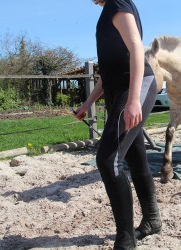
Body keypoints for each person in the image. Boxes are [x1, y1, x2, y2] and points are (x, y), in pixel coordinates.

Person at [74, 0, 162, 249]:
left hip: (133, 87)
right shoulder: (108, 10)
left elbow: (136, 48)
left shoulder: (117, 2)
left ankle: (126, 239)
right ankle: (152, 220)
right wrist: (87, 103)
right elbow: (108, 70)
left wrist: (134, 99)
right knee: (135, 158)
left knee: (107, 159)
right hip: (118, 90)